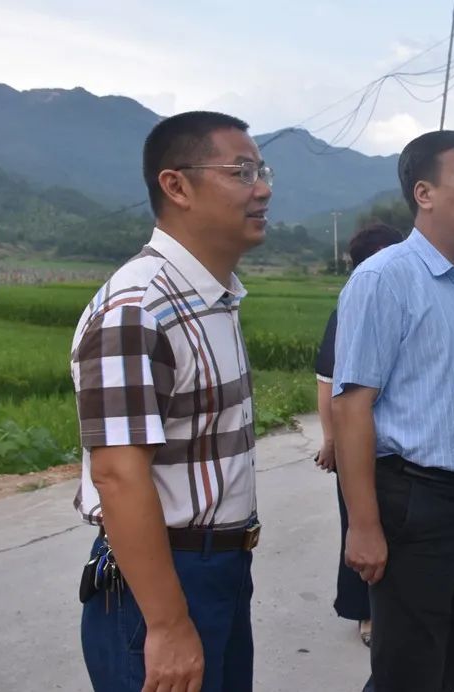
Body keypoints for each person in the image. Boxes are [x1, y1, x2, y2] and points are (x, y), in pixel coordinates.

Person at [70, 111, 273, 692]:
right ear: (176, 185)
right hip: (161, 580)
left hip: (221, 569)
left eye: (261, 169)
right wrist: (168, 623)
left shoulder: (212, 296)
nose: (263, 188)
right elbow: (117, 474)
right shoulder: (137, 309)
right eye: (242, 171)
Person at [331, 129, 454, 692]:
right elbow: (351, 409)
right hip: (417, 504)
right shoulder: (384, 279)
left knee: (452, 662)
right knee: (408, 672)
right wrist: (364, 526)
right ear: (425, 192)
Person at [314, 221, 405, 647]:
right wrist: (333, 442)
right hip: (356, 442)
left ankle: (394, 606)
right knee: (359, 524)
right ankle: (365, 613)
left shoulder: (407, 302)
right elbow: (328, 382)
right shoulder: (350, 307)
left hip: (396, 447)